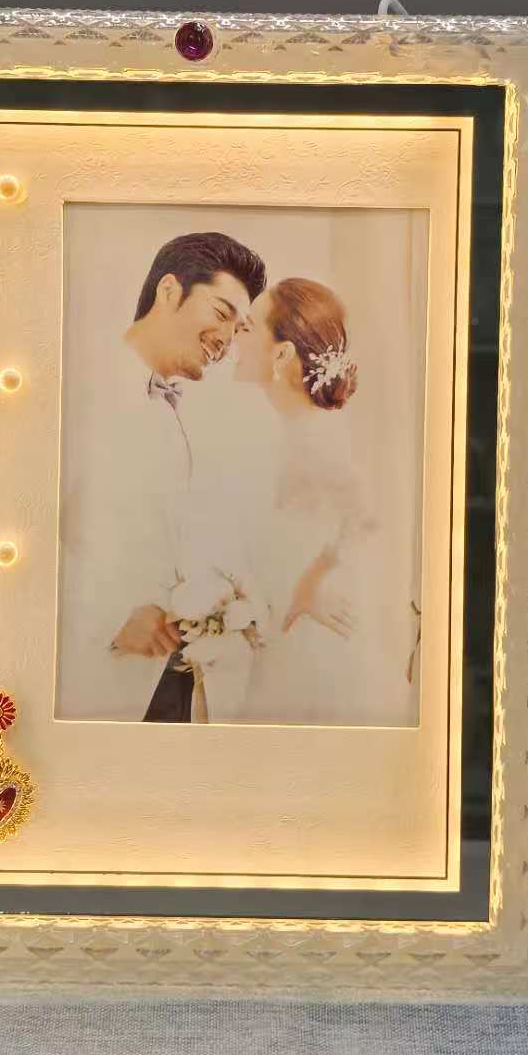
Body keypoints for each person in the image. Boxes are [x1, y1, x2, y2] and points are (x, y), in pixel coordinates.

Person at [57, 231, 266, 722]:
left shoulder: (176, 413)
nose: (227, 339)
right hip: (94, 682)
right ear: (169, 291)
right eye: (222, 313)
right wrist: (112, 618)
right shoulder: (76, 389)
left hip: (173, 682)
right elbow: (24, 532)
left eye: (238, 327)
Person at [225, 277, 411, 726]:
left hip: (317, 647)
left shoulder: (315, 436)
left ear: (282, 354)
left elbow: (368, 516)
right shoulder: (290, 432)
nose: (235, 336)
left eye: (248, 327)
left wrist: (311, 579)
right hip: (288, 632)